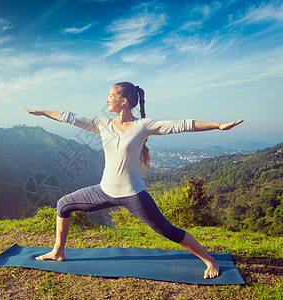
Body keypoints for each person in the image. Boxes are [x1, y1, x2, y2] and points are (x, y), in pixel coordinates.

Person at [22, 81, 243, 279]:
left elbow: (182, 124)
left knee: (168, 231)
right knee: (64, 204)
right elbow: (70, 117)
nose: (106, 99)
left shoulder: (143, 126)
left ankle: (209, 260)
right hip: (104, 190)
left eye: (110, 95)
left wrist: (218, 125)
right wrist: (42, 112)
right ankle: (58, 251)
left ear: (123, 100)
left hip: (133, 195)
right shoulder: (102, 124)